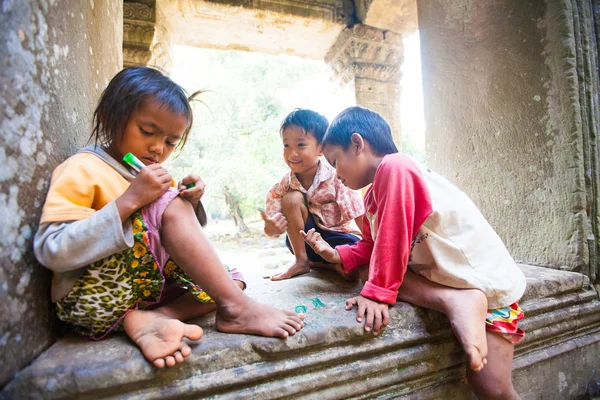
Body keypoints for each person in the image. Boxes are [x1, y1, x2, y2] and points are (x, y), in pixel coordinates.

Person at [34, 66, 304, 369]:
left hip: (137, 298)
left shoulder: (144, 174)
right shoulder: (83, 168)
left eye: (171, 141)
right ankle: (237, 309)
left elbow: (177, 240)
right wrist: (131, 200)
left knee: (229, 279)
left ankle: (150, 320)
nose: (157, 148)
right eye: (147, 132)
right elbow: (52, 249)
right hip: (90, 300)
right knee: (219, 281)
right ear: (112, 118)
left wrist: (191, 201)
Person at [302, 106, 527, 399]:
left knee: (492, 386)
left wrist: (377, 293)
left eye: (335, 161)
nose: (336, 175)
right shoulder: (372, 194)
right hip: (454, 282)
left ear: (358, 144)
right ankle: (456, 300)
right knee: (367, 270)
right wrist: (339, 256)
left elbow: (393, 233)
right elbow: (373, 245)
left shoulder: (397, 166)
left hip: (487, 284)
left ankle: (463, 299)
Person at [259, 109, 364, 281]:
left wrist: (374, 249)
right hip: (305, 242)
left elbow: (359, 215)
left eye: (301, 145)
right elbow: (272, 227)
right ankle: (301, 261)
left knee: (352, 274)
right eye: (286, 145)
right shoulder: (283, 185)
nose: (292, 153)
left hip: (337, 238)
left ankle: (325, 264)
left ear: (321, 149)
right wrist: (271, 229)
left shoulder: (337, 177)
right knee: (291, 198)